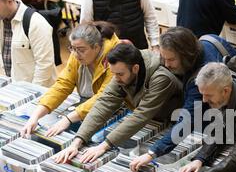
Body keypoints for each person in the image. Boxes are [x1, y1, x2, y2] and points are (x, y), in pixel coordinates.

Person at [130, 27, 236, 172]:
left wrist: (151, 153)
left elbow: (186, 123)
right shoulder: (209, 39)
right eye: (164, 58)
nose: (166, 64)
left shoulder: (199, 81)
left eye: (171, 59)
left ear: (186, 55)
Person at [53, 43, 182, 164]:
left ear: (135, 68)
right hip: (151, 122)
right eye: (113, 73)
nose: (116, 78)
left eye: (120, 74)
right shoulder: (121, 71)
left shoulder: (162, 78)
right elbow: (104, 103)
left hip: (176, 125)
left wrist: (103, 146)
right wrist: (76, 142)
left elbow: (141, 115)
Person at [21, 22, 120, 138]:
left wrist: (68, 119)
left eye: (81, 50)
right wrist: (35, 116)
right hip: (87, 106)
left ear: (97, 47)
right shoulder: (76, 54)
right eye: (72, 48)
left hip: (115, 109)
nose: (76, 54)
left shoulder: (115, 58)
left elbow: (104, 97)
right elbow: (63, 85)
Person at [0, 0, 56, 87]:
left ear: (10, 1)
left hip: (34, 93)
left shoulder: (37, 23)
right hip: (10, 89)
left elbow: (44, 65)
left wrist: (31, 94)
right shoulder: (2, 19)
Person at [81, 0, 160, 50]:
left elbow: (149, 16)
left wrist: (155, 44)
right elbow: (86, 27)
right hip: (110, 52)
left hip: (138, 46)